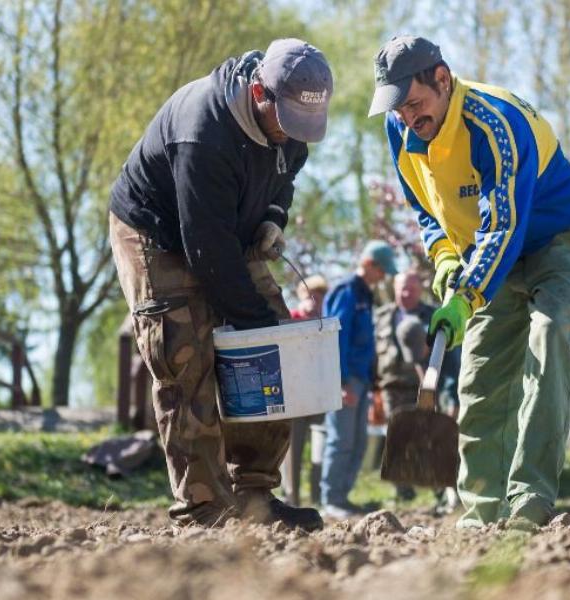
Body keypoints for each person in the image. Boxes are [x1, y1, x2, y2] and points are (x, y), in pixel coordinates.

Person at [369, 35, 570, 528]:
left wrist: (467, 295)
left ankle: (529, 501)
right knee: (479, 376)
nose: (409, 118)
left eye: (416, 103)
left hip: (556, 239)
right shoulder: (399, 129)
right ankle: (480, 510)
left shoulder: (494, 123)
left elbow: (504, 225)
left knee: (548, 335)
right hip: (488, 250)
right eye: (399, 108)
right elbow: (424, 208)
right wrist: (446, 257)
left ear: (443, 80)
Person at [108, 38, 333, 531]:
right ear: (259, 91)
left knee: (277, 348)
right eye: (285, 123)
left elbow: (285, 175)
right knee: (186, 355)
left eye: (302, 128)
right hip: (158, 233)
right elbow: (205, 250)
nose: (290, 136)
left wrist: (274, 216)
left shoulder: (292, 121)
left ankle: (255, 494)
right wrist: (247, 320)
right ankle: (204, 505)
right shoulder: (203, 130)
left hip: (227, 226)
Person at [320, 240, 397, 519]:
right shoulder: (347, 291)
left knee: (358, 442)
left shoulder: (365, 294)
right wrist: (339, 382)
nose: (384, 277)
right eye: (382, 270)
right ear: (368, 264)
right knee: (341, 440)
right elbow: (335, 336)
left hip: (361, 378)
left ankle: (344, 497)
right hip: (346, 377)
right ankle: (332, 499)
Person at [373, 270, 435, 501]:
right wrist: (372, 387)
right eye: (402, 289)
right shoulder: (381, 316)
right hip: (391, 385)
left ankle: (437, 488)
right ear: (394, 290)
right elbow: (373, 352)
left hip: (422, 385)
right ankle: (403, 490)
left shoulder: (432, 315)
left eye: (411, 289)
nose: (406, 293)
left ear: (420, 290)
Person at [281, 273, 329, 505]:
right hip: (295, 397)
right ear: (300, 297)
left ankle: (319, 497)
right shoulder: (288, 321)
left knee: (320, 451)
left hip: (320, 396)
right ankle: (292, 499)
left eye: (318, 298)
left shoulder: (327, 325)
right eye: (308, 297)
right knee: (293, 452)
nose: (313, 302)